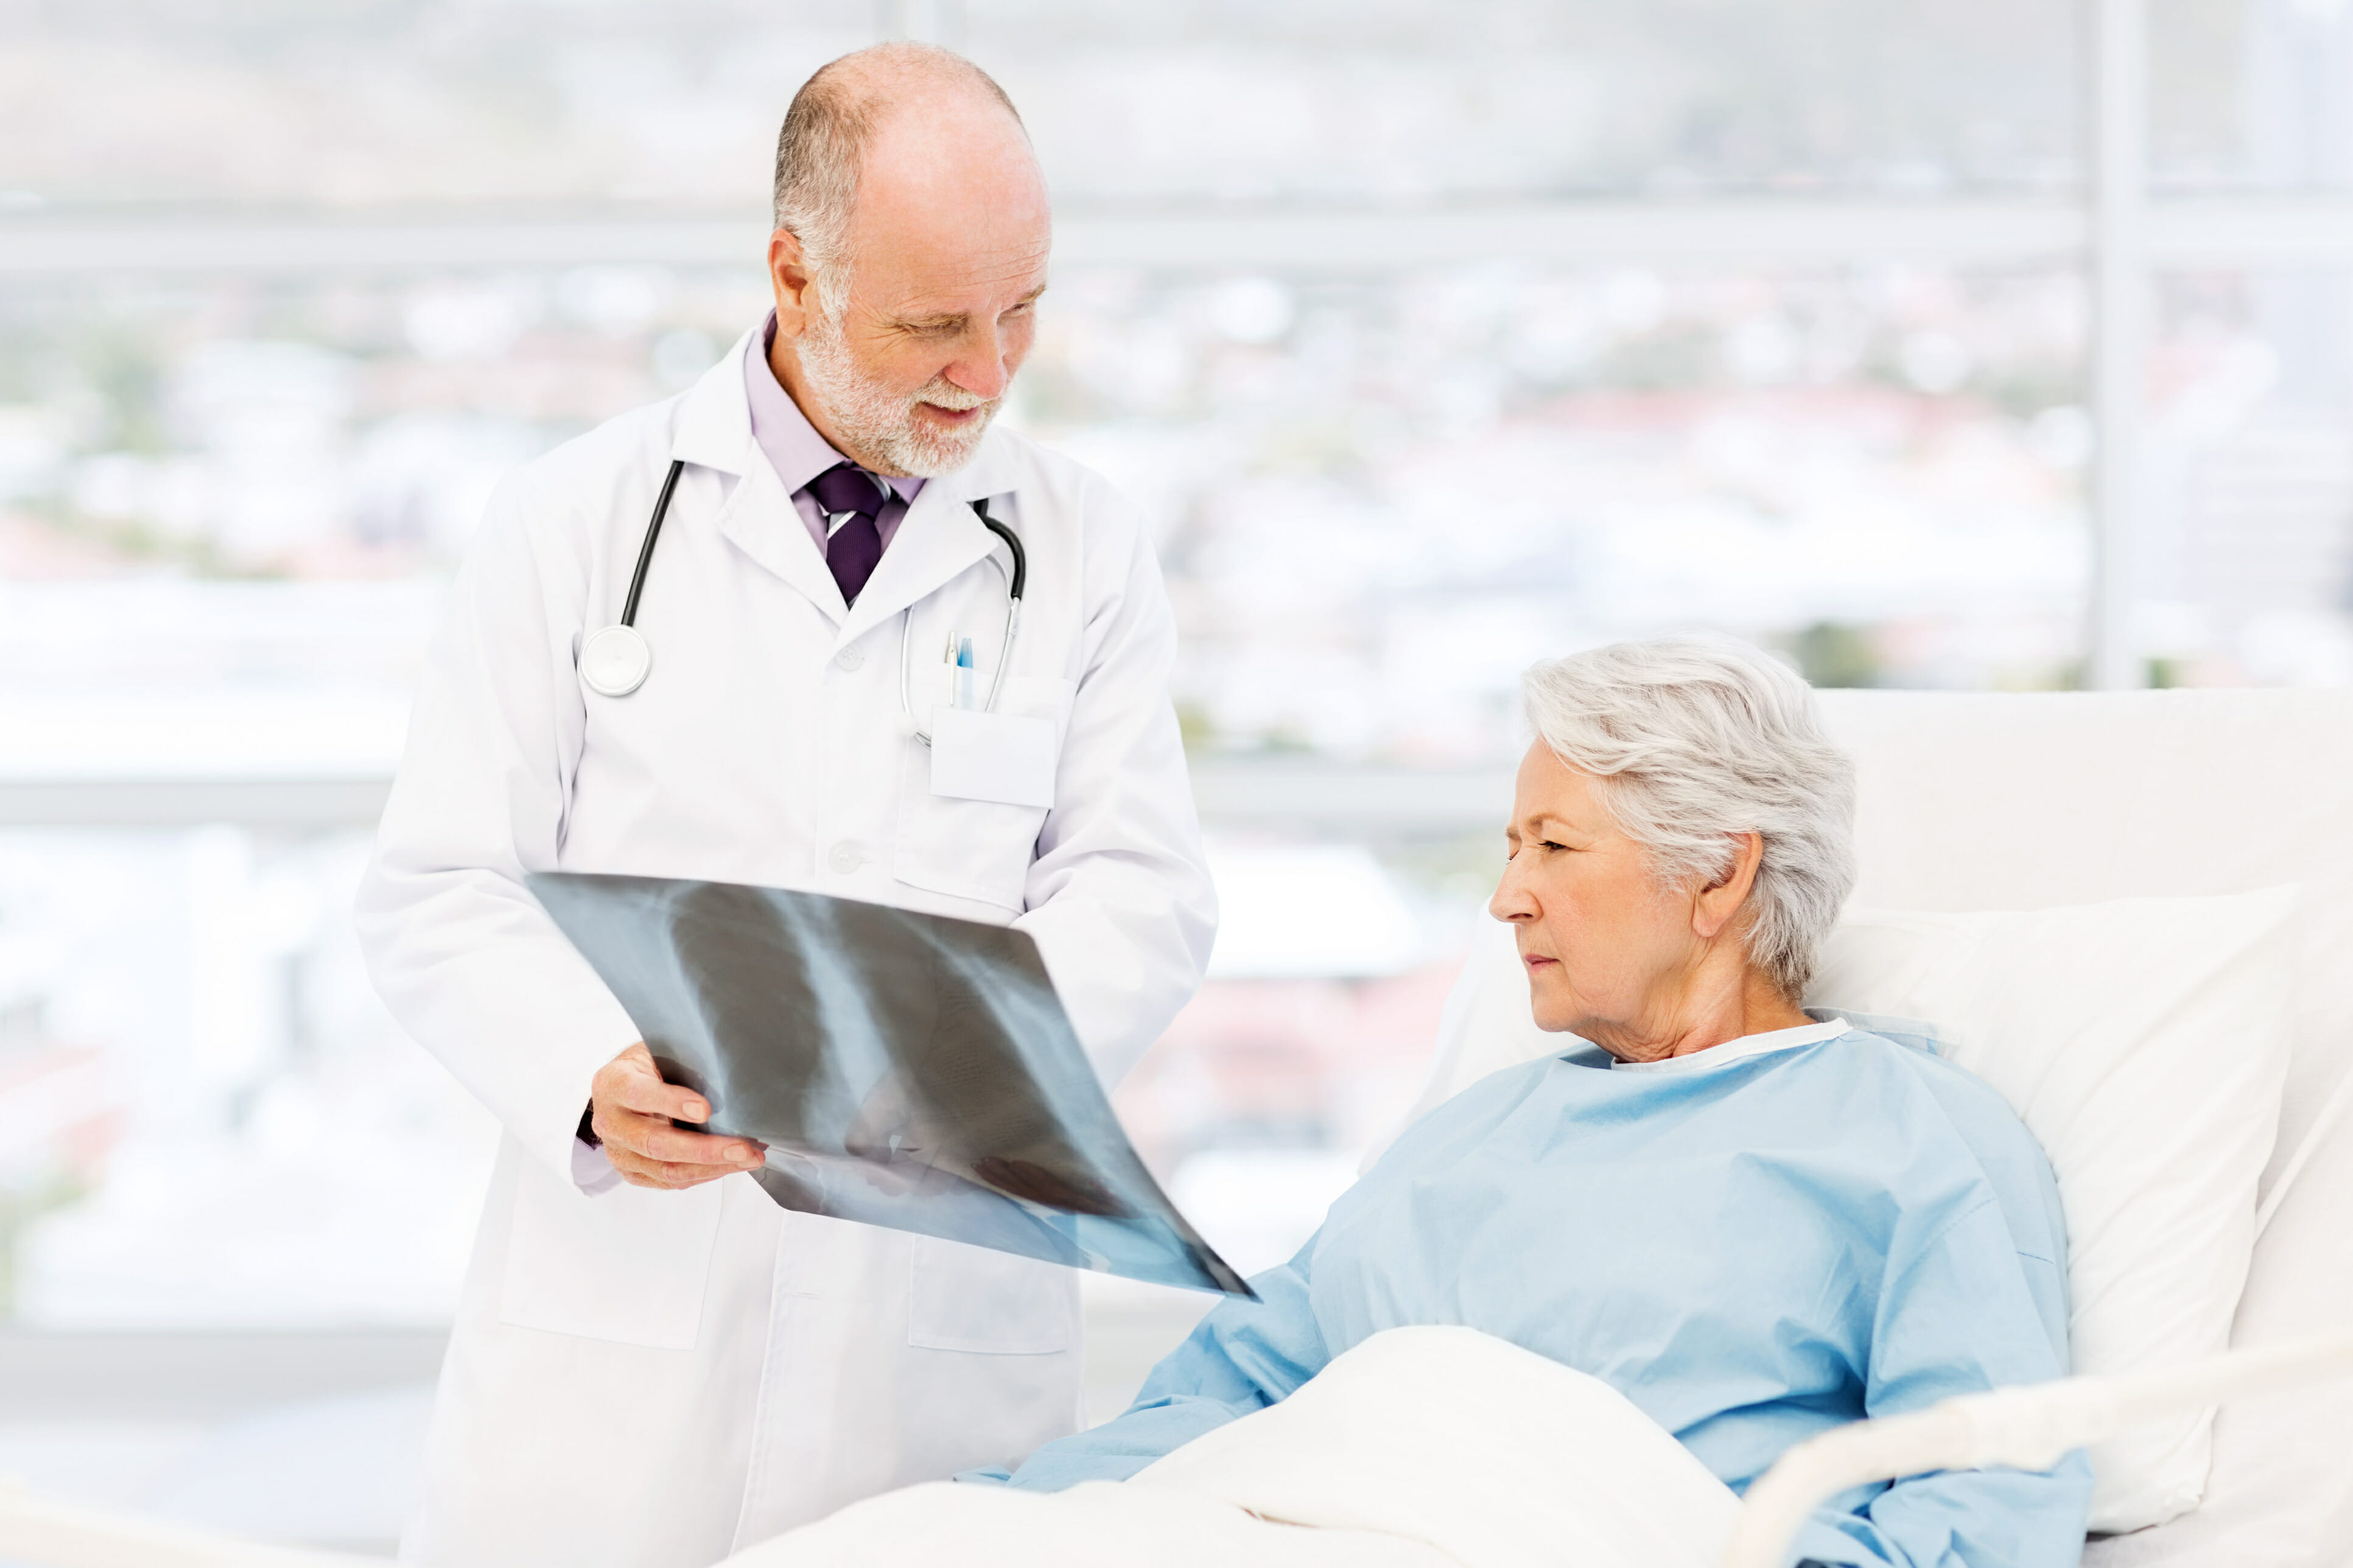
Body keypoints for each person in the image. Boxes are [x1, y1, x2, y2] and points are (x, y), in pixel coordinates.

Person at [354, 42, 1215, 1568]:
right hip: (616, 1345)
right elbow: (442, 884)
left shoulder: (1077, 545)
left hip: (929, 1341)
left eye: (1021, 310)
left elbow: (1140, 889)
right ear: (792, 273)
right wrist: (588, 1073)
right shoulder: (576, 522)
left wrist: (950, 1066)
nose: (988, 371)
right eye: (933, 324)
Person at [916, 636, 2085, 1566]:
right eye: (1510, 846)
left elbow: (1985, 1505)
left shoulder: (1910, 1140)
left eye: (1553, 847)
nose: (1504, 899)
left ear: (1719, 874)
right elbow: (1233, 1391)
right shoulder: (1473, 1132)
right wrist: (999, 1519)